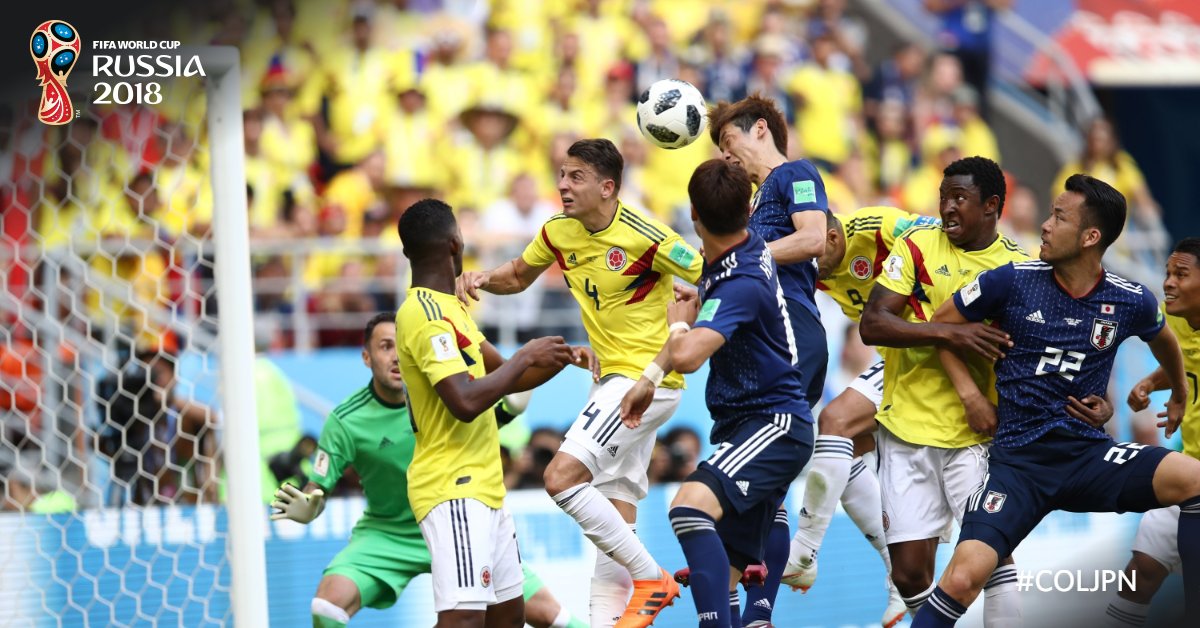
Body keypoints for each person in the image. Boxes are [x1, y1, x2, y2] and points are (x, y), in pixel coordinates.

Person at [912, 176, 1200, 626]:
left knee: (1196, 479)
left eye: (1059, 217)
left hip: (1089, 457)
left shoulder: (1129, 300)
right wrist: (971, 396)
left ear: (1090, 237)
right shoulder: (1011, 282)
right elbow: (941, 329)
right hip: (1018, 468)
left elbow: (1164, 339)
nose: (1045, 226)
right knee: (963, 579)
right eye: (1048, 214)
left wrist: (1179, 394)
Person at [457, 138, 700, 627]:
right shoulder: (558, 232)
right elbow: (519, 275)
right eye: (562, 175)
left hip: (647, 382)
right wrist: (483, 278)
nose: (563, 185)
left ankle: (651, 575)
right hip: (610, 381)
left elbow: (712, 273)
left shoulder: (647, 234)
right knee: (614, 514)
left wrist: (689, 306)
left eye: (576, 177)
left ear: (607, 187)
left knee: (560, 477)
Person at [270, 313, 587, 628]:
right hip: (389, 534)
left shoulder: (445, 397)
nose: (395, 356)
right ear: (366, 357)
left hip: (455, 520)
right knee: (326, 606)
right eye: (384, 346)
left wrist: (519, 380)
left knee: (551, 616)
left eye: (402, 345)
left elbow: (504, 409)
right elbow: (317, 486)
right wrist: (310, 505)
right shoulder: (346, 419)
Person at [624, 158, 813, 628]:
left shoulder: (739, 280)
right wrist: (649, 379)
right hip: (749, 424)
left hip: (774, 424)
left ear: (693, 213)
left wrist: (679, 325)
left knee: (688, 508)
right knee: (724, 579)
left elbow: (688, 355)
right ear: (749, 209)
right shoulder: (741, 252)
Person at [858, 156, 1028, 623]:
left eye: (960, 199)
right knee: (910, 575)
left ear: (991, 205)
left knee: (991, 556)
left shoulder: (1017, 267)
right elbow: (873, 324)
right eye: (943, 198)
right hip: (905, 427)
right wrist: (950, 333)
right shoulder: (917, 245)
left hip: (973, 436)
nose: (948, 209)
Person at [394, 199, 580, 628]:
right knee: (463, 619)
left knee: (507, 616)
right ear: (456, 245)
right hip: (452, 486)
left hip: (486, 488)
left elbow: (509, 376)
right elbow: (465, 401)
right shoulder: (423, 315)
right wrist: (525, 355)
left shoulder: (452, 308)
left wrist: (562, 357)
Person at [705, 94, 831, 626]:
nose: (725, 156)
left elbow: (813, 237)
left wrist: (741, 258)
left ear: (760, 129)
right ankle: (754, 613)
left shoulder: (795, 174)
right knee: (759, 487)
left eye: (728, 142)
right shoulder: (753, 207)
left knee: (748, 483)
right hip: (764, 341)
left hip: (793, 333)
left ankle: (750, 609)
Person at [783, 206, 940, 626]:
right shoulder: (812, 271)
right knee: (847, 443)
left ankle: (804, 548)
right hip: (900, 358)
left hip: (931, 346)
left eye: (815, 253)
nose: (811, 267)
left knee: (835, 421)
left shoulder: (874, 226)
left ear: (832, 237)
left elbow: (941, 235)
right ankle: (896, 580)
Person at [1103, 237, 1200, 627]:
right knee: (1139, 571)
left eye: (1181, 274)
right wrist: (1152, 383)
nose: (1169, 283)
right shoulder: (1172, 320)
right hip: (1191, 475)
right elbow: (1184, 364)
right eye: (1167, 273)